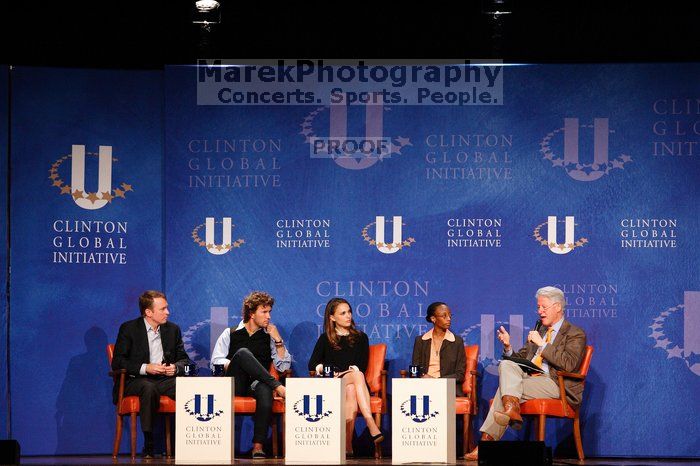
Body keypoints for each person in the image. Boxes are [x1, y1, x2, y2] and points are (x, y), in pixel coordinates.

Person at [465, 286, 587, 461]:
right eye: (538, 307)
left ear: (558, 307)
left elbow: (569, 365)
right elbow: (520, 360)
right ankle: (511, 408)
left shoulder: (575, 333)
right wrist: (508, 347)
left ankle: (487, 443)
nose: (540, 311)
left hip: (554, 383)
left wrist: (543, 345)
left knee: (504, 392)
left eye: (543, 307)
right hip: (530, 377)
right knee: (507, 363)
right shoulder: (540, 331)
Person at [111, 290, 192, 458]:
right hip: (135, 381)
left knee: (187, 386)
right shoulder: (129, 329)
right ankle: (149, 443)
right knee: (148, 388)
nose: (168, 312)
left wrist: (175, 368)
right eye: (163, 309)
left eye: (167, 308)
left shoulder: (172, 329)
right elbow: (118, 362)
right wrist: (146, 367)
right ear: (148, 312)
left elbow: (184, 359)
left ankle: (187, 441)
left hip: (163, 379)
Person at [210, 291, 291, 459]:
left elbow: (283, 367)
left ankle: (258, 446)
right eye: (264, 312)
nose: (268, 316)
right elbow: (215, 362)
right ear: (251, 313)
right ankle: (277, 386)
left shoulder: (269, 337)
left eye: (269, 312)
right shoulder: (230, 333)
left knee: (264, 389)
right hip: (234, 384)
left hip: (257, 384)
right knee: (242, 353)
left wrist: (277, 340)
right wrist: (235, 363)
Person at [307, 298, 384, 457]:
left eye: (349, 312)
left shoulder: (361, 337)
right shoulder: (325, 338)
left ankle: (347, 446)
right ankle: (370, 423)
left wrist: (346, 373)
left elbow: (361, 365)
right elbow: (313, 364)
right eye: (343, 313)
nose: (348, 316)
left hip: (353, 382)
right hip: (332, 384)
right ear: (332, 317)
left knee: (351, 386)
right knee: (355, 378)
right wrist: (324, 370)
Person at [410, 302, 466, 393]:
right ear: (433, 319)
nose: (449, 319)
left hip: (447, 388)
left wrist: (436, 381)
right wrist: (424, 377)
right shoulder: (421, 340)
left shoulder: (457, 341)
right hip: (424, 387)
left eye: (450, 316)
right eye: (444, 316)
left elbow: (460, 375)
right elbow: (414, 371)